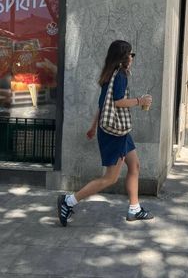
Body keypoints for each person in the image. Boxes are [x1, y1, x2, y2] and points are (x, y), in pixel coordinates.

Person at [57, 40, 154, 227]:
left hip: (117, 131)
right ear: (123, 57)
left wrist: (94, 126)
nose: (132, 58)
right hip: (115, 133)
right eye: (131, 55)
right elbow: (117, 102)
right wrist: (139, 100)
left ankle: (134, 209)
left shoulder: (109, 74)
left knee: (135, 166)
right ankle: (68, 201)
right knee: (110, 178)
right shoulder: (120, 75)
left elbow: (103, 105)